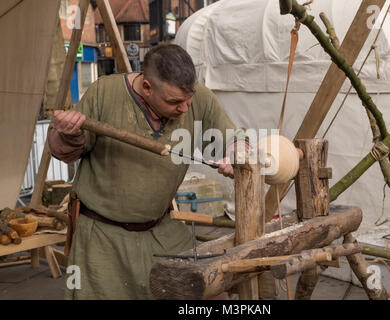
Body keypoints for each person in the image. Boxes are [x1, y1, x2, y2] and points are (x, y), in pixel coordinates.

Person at [48, 44, 246, 299]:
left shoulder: (199, 99)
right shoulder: (104, 93)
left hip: (161, 229)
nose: (185, 108)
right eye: (174, 101)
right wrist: (69, 134)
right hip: (102, 236)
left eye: (189, 99)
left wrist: (237, 151)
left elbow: (230, 137)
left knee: (201, 290)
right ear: (147, 87)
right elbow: (63, 151)